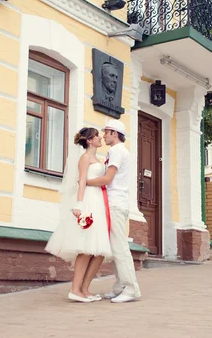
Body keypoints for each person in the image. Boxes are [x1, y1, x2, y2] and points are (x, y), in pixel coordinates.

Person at [45, 127, 112, 303]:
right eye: (97, 136)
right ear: (89, 140)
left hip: (99, 200)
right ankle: (75, 289)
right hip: (89, 200)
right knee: (86, 247)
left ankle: (85, 289)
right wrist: (79, 205)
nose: (100, 138)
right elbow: (81, 181)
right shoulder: (85, 158)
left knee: (97, 249)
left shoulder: (97, 158)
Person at [86, 119, 141, 303]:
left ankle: (131, 288)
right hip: (113, 203)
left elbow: (108, 178)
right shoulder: (115, 151)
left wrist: (85, 182)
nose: (103, 135)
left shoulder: (118, 151)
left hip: (116, 203)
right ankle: (120, 287)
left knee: (120, 248)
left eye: (106, 132)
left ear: (115, 134)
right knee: (113, 248)